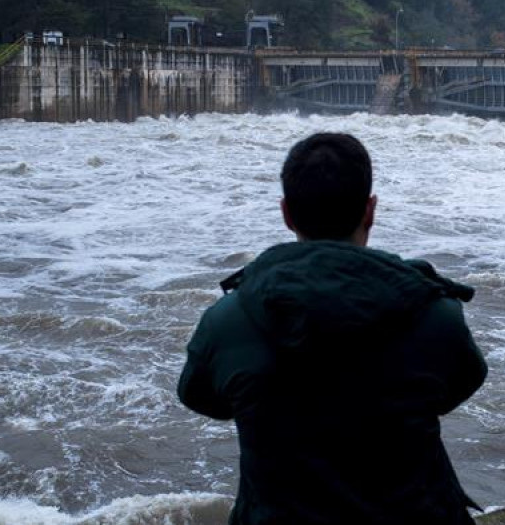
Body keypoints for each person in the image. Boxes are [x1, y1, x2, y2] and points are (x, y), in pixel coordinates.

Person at [177, 133, 487, 525]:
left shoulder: (229, 320)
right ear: (370, 211)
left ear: (287, 213)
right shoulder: (436, 314)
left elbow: (200, 395)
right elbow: (461, 381)